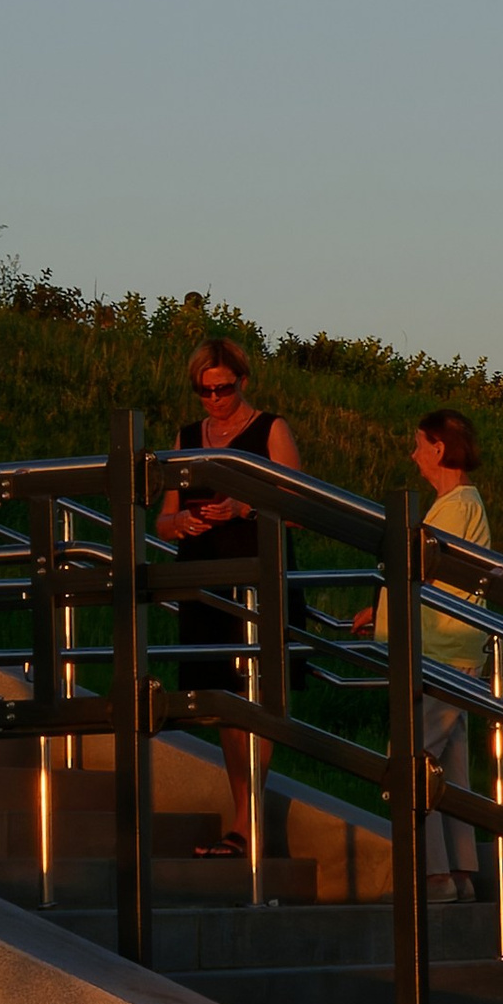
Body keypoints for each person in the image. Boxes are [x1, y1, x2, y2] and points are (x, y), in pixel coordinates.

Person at [156, 337, 302, 861]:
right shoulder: (187, 436)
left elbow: (300, 504)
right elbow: (163, 518)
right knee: (222, 699)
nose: (215, 399)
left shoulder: (270, 429)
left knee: (257, 692)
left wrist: (243, 506)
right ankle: (244, 815)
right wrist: (181, 520)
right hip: (205, 576)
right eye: (205, 391)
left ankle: (246, 822)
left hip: (258, 573)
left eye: (224, 388)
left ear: (243, 380)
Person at [343, 411, 494, 901]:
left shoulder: (453, 507)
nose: (413, 455)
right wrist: (381, 609)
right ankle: (461, 873)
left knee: (409, 759)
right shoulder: (461, 504)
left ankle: (433, 876)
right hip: (453, 651)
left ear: (438, 448)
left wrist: (385, 609)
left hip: (442, 652)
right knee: (449, 768)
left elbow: (420, 573)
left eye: (418, 444)